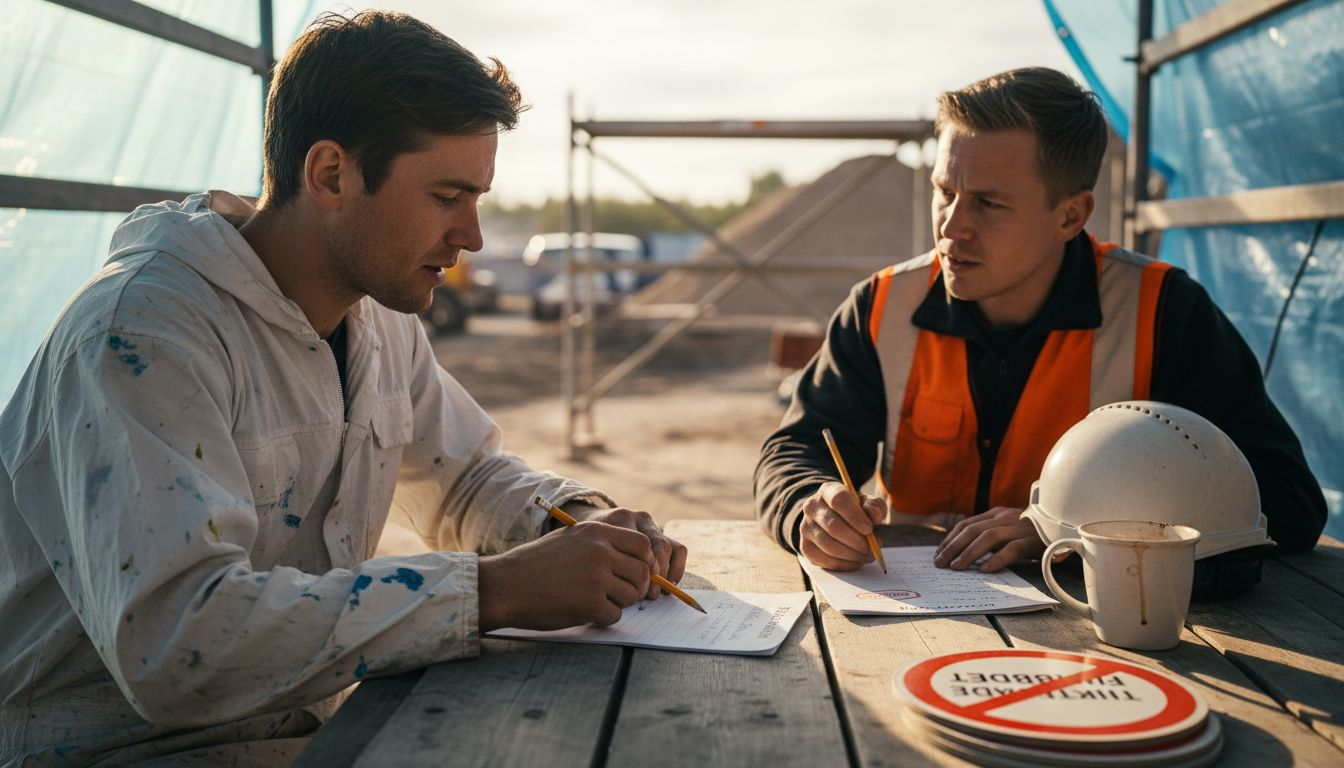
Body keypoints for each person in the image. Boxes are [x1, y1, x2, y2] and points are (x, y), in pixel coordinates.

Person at [0, 11, 687, 766]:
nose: (474, 237)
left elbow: (465, 481)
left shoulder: (376, 322)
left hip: (302, 736)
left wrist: (579, 524)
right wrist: (494, 593)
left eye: (478, 199)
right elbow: (176, 645)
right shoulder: (142, 335)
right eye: (447, 196)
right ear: (331, 174)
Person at [754, 67, 1325, 587]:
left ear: (1071, 215)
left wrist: (1071, 530)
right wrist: (811, 506)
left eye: (988, 204)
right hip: (910, 625)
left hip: (1114, 645)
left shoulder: (1166, 313)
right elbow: (794, 452)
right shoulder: (879, 307)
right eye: (944, 193)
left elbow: (1288, 499)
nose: (952, 226)